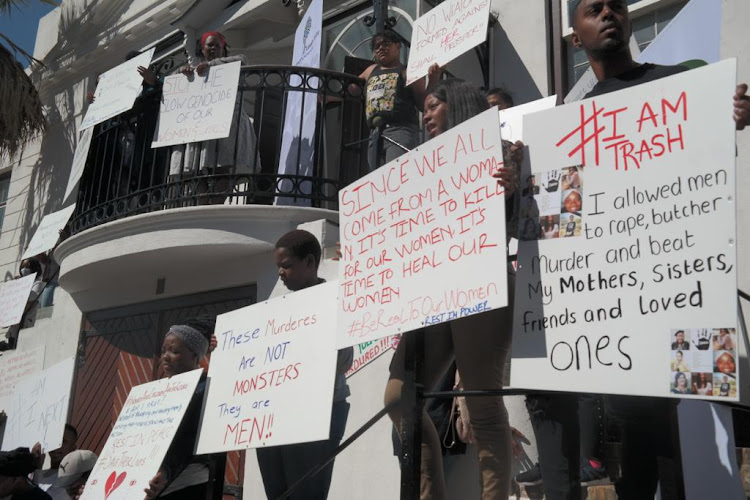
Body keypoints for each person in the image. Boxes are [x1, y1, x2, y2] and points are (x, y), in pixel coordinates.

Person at [568, 1, 749, 498]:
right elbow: (565, 217)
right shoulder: (571, 121)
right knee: (640, 450)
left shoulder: (683, 83)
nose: (609, 13)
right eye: (593, 9)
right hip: (624, 310)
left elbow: (711, 165)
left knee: (699, 440)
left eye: (617, 6)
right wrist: (519, 175)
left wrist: (732, 114)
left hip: (688, 296)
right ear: (575, 37)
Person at [384, 79, 518, 500]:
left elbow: (525, 223)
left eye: (433, 105)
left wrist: (512, 189)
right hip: (434, 291)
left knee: (483, 407)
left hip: (484, 285)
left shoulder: (505, 152)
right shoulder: (422, 166)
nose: (425, 116)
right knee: (398, 396)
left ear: (457, 105)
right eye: (423, 108)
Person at [256, 229, 353, 499]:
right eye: (277, 267)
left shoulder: (334, 302)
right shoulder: (274, 312)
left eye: (286, 265)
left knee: (305, 494)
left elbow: (344, 359)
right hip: (274, 418)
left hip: (317, 415)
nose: (280, 273)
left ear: (310, 262)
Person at [169, 31, 259, 204]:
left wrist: (212, 65)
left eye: (217, 45)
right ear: (202, 49)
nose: (213, 48)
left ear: (223, 49)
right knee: (196, 169)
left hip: (228, 123)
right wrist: (182, 72)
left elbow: (243, 60)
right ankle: (203, 206)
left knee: (224, 166)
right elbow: (172, 87)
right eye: (209, 45)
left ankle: (216, 203)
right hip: (202, 125)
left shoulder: (229, 64)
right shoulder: (194, 72)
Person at [144, 316, 219, 499]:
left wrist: (166, 473)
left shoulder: (204, 391)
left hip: (187, 487)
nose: (165, 357)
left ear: (195, 355)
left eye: (174, 351)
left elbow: (188, 440)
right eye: (163, 351)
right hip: (157, 483)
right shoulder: (159, 393)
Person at [359, 31, 439, 170]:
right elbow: (350, 87)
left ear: (398, 46)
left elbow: (422, 104)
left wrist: (433, 80)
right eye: (377, 46)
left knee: (395, 175)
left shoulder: (408, 72)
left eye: (386, 44)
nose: (381, 48)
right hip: (375, 135)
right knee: (376, 181)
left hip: (400, 131)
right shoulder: (370, 70)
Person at [31, 424, 77, 500]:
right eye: (54, 439)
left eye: (63, 441)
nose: (57, 445)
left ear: (72, 448)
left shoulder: (71, 482)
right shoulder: (36, 473)